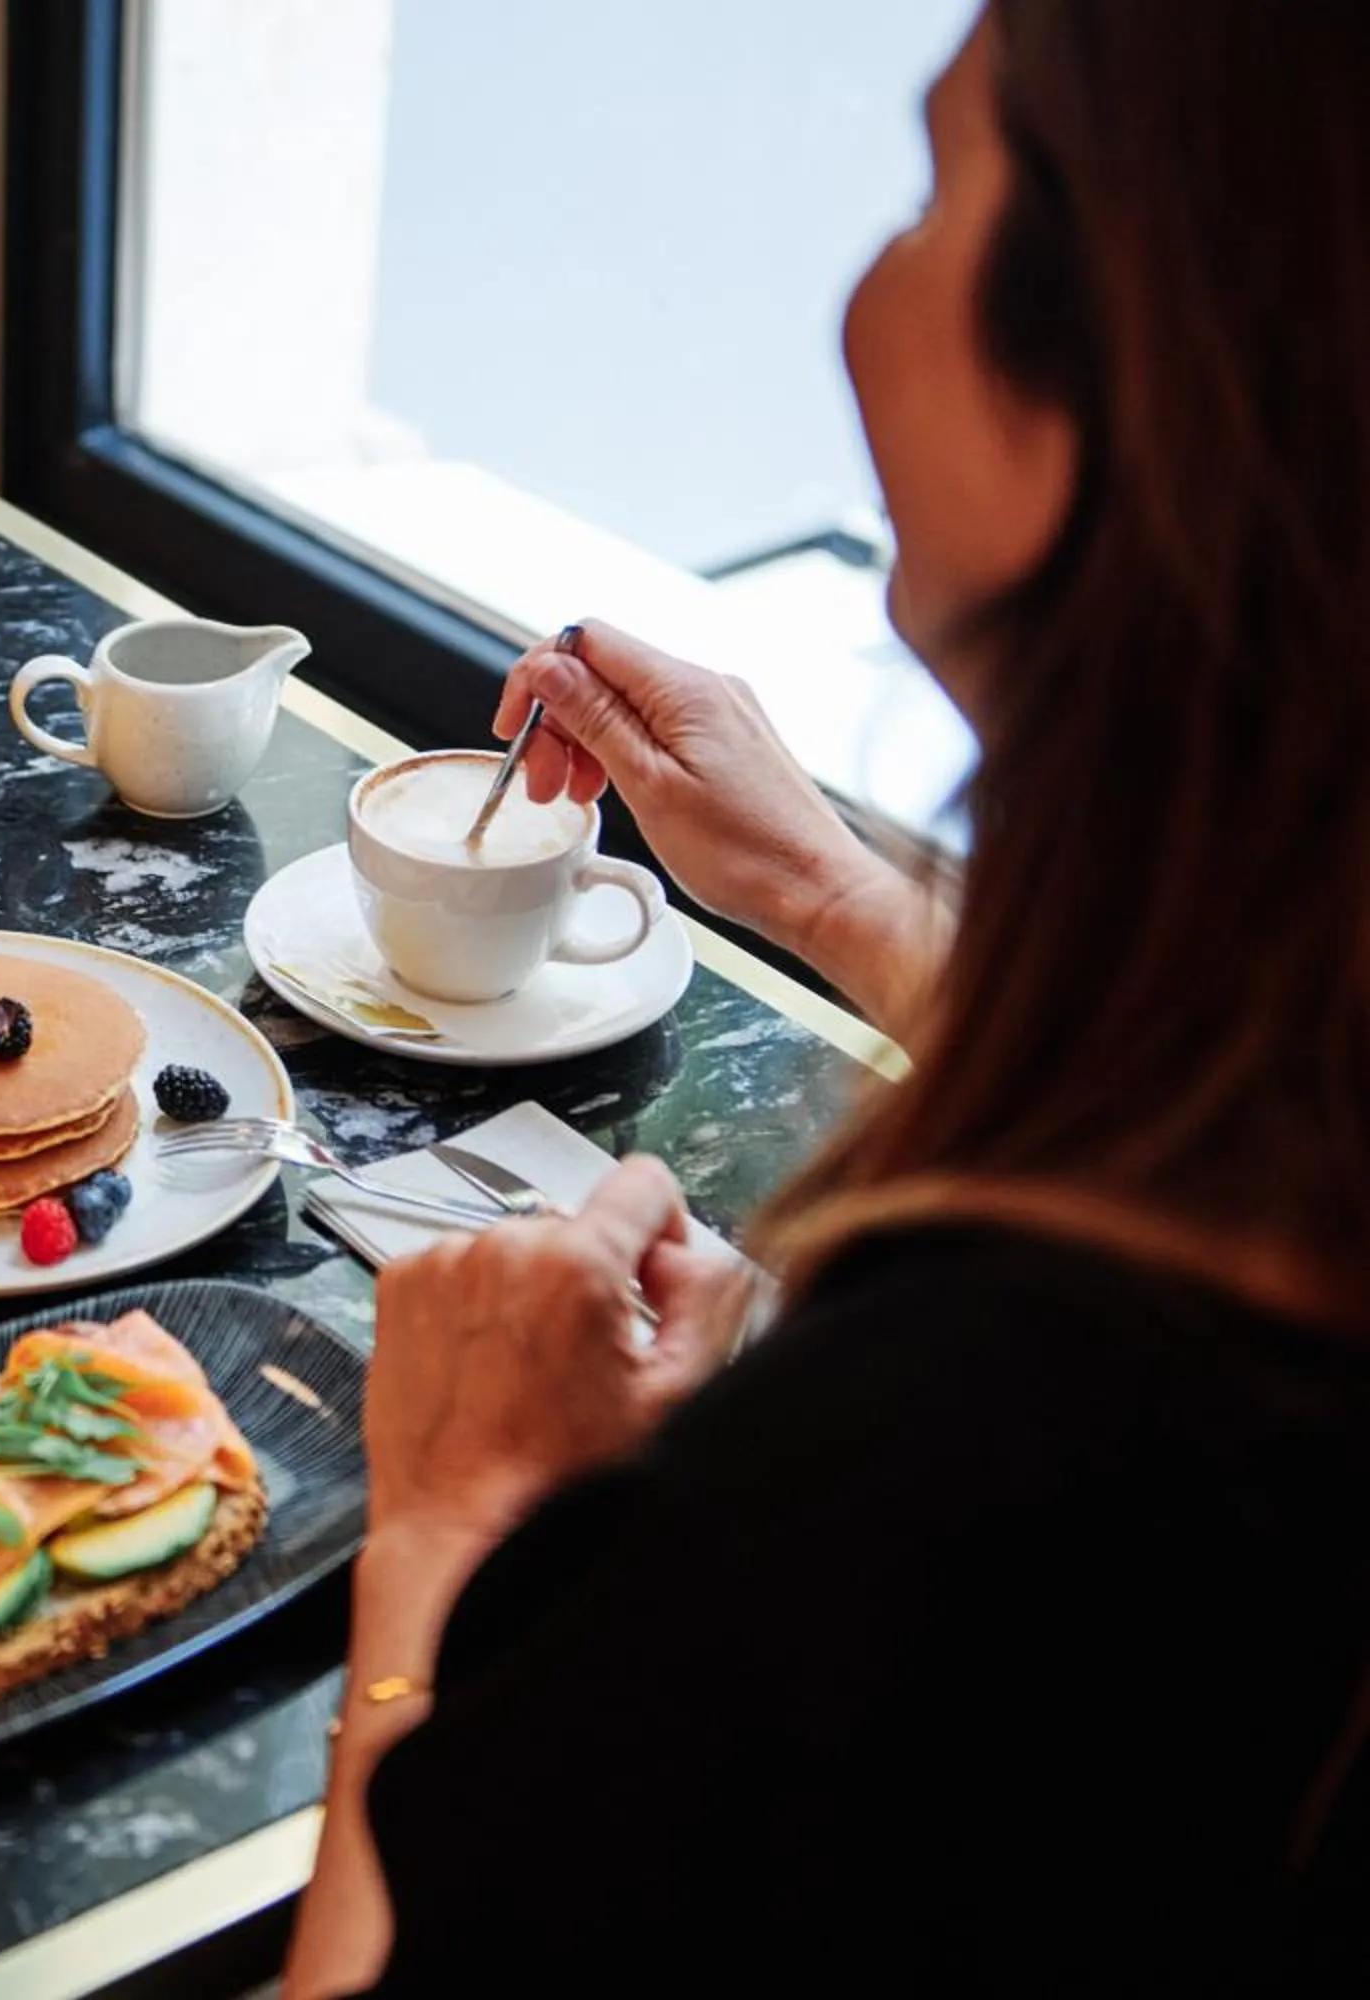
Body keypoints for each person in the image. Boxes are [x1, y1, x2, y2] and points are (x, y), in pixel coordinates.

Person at [285, 4, 1370, 1993]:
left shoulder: (889, 1508)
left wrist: (453, 1524)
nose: (863, 289)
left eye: (939, 181)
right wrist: (831, 894)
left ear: (1127, 385)